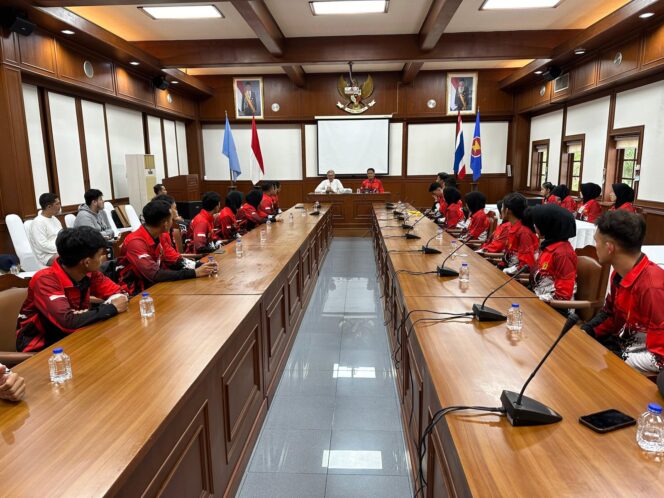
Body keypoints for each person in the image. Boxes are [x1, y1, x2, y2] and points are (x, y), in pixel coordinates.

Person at [16, 227, 129, 353]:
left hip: (77, 337)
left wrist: (113, 302)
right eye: (99, 255)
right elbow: (68, 321)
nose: (102, 259)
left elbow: (120, 293)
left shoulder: (90, 273)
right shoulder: (45, 280)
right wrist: (111, 307)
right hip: (42, 347)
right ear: (86, 262)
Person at [581, 211, 664, 374]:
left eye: (596, 241)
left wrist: (616, 358)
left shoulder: (652, 287)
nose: (595, 246)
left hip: (637, 366)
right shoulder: (619, 273)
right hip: (618, 348)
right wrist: (587, 330)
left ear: (609, 247)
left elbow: (659, 358)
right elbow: (610, 314)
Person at [118, 200, 216, 294]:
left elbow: (175, 260)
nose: (173, 221)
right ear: (165, 224)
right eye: (171, 219)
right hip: (136, 292)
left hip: (155, 286)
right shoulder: (135, 242)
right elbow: (155, 274)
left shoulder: (159, 235)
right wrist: (194, 273)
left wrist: (201, 265)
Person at [527, 204, 577, 302]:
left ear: (549, 225)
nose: (534, 225)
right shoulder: (548, 246)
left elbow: (563, 295)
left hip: (556, 309)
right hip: (540, 300)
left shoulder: (563, 254)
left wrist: (535, 300)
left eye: (537, 222)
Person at [499, 192, 539, 273]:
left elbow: (527, 264)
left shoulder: (523, 233)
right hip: (508, 270)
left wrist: (507, 270)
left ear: (507, 210)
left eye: (502, 207)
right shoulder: (511, 227)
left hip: (516, 277)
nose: (501, 209)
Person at [29, 193, 63, 267]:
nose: (60, 206)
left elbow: (62, 236)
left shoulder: (54, 219)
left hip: (60, 250)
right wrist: (62, 249)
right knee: (73, 257)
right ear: (49, 207)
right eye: (57, 204)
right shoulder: (38, 222)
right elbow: (43, 245)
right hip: (48, 256)